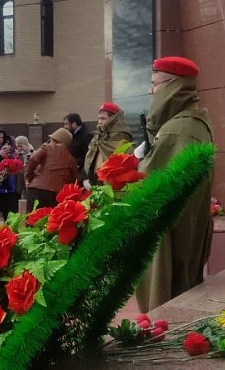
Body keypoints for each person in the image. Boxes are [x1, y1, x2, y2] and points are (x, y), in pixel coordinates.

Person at [135, 56, 214, 313]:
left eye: (154, 84)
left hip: (169, 233)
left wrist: (131, 169)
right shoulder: (193, 120)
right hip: (183, 228)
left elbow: (150, 182)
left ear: (173, 86)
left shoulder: (178, 129)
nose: (150, 90)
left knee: (165, 298)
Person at [24, 128, 79, 210]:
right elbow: (75, 180)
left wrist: (29, 177)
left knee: (33, 220)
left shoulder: (47, 147)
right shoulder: (71, 159)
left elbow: (33, 159)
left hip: (36, 189)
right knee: (51, 221)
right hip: (56, 194)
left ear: (55, 140)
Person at [83, 102, 133, 186]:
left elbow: (126, 169)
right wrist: (85, 178)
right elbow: (89, 160)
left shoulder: (121, 141)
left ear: (114, 120)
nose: (99, 122)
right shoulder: (96, 139)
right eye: (98, 118)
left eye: (103, 119)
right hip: (94, 184)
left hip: (113, 188)